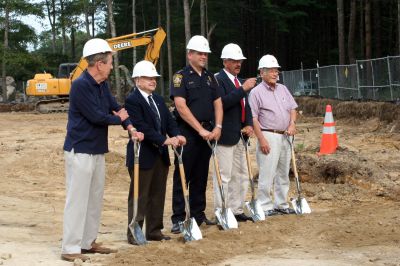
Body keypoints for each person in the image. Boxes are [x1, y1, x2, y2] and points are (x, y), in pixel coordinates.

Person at [61, 38, 143, 262]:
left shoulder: (102, 85)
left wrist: (131, 127)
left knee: (94, 198)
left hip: (96, 149)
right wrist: (120, 120)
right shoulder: (80, 85)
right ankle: (70, 247)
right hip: (80, 150)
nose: (110, 67)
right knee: (77, 199)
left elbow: (116, 108)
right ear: (99, 64)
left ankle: (87, 242)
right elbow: (98, 117)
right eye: (108, 63)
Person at [124, 60, 186, 244]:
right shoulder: (132, 100)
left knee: (157, 194)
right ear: (137, 80)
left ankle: (154, 230)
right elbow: (141, 126)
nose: (153, 80)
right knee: (140, 195)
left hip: (160, 155)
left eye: (154, 78)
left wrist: (177, 135)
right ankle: (134, 232)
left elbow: (169, 121)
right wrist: (164, 140)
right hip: (141, 155)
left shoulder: (158, 99)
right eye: (148, 77)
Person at [170, 35, 223, 233]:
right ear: (189, 54)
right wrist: (199, 129)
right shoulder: (180, 77)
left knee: (201, 176)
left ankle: (198, 214)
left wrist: (218, 127)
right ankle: (178, 218)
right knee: (183, 176)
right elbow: (180, 106)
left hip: (208, 133)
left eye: (206, 53)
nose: (204, 57)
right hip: (188, 134)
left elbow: (218, 103)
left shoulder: (210, 77)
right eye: (200, 53)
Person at [248, 54, 297, 217]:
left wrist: (292, 124)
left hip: (286, 135)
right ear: (262, 72)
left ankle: (281, 204)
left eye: (277, 71)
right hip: (268, 135)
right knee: (267, 172)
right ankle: (265, 205)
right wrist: (261, 139)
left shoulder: (283, 89)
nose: (276, 74)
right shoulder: (256, 93)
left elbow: (292, 109)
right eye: (271, 71)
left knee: (283, 172)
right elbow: (253, 118)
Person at [213, 43, 257, 222]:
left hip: (241, 135)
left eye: (240, 61)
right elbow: (221, 103)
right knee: (224, 175)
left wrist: (248, 124)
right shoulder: (218, 80)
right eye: (233, 60)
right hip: (225, 135)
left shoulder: (239, 81)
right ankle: (222, 210)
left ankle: (236, 209)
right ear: (225, 61)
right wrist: (243, 89)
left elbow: (246, 106)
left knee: (241, 174)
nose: (238, 64)